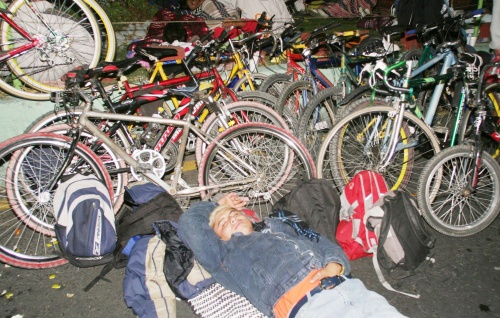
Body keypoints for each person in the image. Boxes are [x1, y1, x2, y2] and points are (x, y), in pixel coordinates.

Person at [179, 193, 407, 318]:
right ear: (217, 237)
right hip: (308, 309)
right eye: (223, 222)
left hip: (352, 289)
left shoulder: (279, 225)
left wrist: (336, 265)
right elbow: (189, 223)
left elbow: (320, 241)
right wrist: (218, 204)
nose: (231, 219)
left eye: (233, 214)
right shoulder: (224, 257)